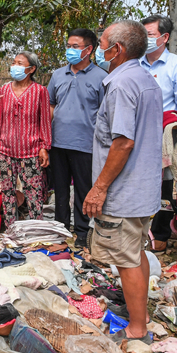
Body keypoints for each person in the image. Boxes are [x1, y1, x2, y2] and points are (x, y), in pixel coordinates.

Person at [84, 20, 162, 344]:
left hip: (125, 190)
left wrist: (99, 187)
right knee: (136, 253)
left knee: (126, 260)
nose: (99, 50)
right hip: (143, 189)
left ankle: (137, 329)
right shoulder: (145, 79)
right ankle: (139, 315)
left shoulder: (121, 84)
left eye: (102, 44)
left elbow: (123, 143)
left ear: (116, 50)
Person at [139, 14, 177, 253]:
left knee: (166, 184)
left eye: (150, 35)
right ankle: (140, 229)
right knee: (140, 181)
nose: (145, 39)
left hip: (167, 135)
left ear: (164, 37)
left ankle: (161, 233)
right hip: (139, 132)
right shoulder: (135, 64)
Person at [46, 28, 106, 246]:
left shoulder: (102, 78)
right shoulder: (57, 75)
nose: (70, 50)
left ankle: (82, 232)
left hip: (86, 145)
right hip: (58, 143)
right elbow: (51, 105)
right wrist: (46, 138)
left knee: (83, 189)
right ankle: (60, 229)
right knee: (60, 190)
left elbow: (105, 112)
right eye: (68, 46)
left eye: (75, 46)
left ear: (88, 50)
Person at [0, 51, 52, 228]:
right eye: (14, 63)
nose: (14, 66)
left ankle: (35, 230)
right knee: (7, 192)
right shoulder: (4, 90)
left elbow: (44, 121)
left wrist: (44, 146)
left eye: (20, 63)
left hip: (31, 151)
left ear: (31, 69)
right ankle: (11, 229)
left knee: (34, 193)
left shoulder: (40, 91)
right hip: (6, 151)